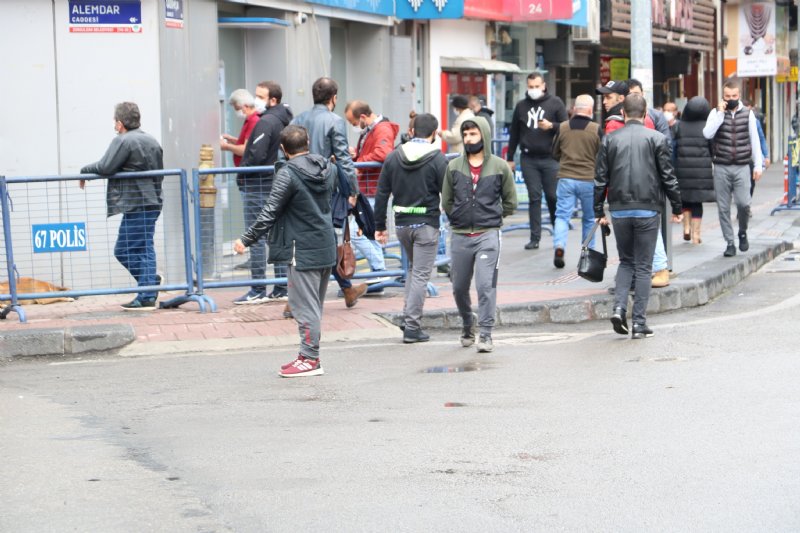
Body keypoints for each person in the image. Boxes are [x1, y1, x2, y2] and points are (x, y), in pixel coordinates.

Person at [234, 125, 336, 378]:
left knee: (304, 307)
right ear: (308, 142)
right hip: (324, 244)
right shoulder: (327, 168)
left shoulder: (288, 174)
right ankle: (307, 355)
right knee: (314, 306)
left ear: (282, 149)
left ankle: (310, 359)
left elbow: (270, 211)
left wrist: (246, 240)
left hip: (300, 248)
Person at [594, 94, 683, 339]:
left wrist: (597, 210)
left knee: (626, 262)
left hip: (620, 209)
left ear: (622, 114)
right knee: (644, 267)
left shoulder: (609, 139)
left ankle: (619, 307)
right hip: (648, 208)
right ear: (645, 115)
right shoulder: (657, 139)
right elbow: (668, 177)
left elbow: (600, 178)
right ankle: (639, 322)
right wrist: (676, 207)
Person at [442, 116, 517, 353]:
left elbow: (510, 202)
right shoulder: (453, 166)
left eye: (473, 134)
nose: (468, 139)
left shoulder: (499, 166)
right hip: (461, 235)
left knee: (485, 286)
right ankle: (468, 323)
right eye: (465, 135)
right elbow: (447, 200)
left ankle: (486, 334)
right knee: (458, 287)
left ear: (483, 135)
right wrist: (458, 216)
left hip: (488, 235)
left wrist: (492, 218)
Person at [291, 77, 368, 307]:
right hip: (323, 189)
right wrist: (353, 190)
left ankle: (343, 290)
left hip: (297, 187)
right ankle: (342, 290)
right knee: (325, 241)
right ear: (334, 97)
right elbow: (344, 159)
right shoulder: (334, 121)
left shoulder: (298, 119)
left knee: (302, 242)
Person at [80, 102, 164, 310]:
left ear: (119, 123)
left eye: (114, 121)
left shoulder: (123, 141)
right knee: (145, 247)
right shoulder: (151, 140)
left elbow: (105, 166)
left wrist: (84, 170)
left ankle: (148, 289)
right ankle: (148, 288)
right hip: (153, 201)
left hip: (137, 203)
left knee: (123, 249)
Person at [374, 113, 448, 343]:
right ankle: (412, 326)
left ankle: (408, 318)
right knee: (421, 275)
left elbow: (382, 193)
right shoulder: (438, 159)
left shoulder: (394, 157)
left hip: (402, 225)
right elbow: (449, 193)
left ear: (413, 130)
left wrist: (380, 226)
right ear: (434, 134)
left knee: (414, 271)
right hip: (427, 224)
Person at [233, 81, 294, 305]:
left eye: (260, 96)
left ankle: (258, 288)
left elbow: (256, 155)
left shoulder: (266, 122)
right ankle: (280, 287)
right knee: (273, 235)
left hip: (257, 185)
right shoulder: (282, 120)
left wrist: (242, 173)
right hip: (272, 184)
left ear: (273, 100)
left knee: (256, 236)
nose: (254, 100)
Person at [506, 72, 568, 250]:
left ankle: (559, 234)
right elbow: (514, 134)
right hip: (528, 158)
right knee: (534, 197)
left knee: (552, 196)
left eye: (536, 86)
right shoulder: (521, 106)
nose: (533, 90)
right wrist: (510, 158)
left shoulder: (555, 103)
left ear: (543, 86)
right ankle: (535, 237)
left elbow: (566, 127)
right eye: (530, 86)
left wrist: (552, 126)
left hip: (550, 158)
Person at [703, 78, 763, 257]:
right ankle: (729, 242)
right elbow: (707, 133)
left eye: (734, 95)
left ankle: (742, 231)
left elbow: (754, 140)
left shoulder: (748, 114)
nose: (731, 98)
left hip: (742, 166)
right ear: (723, 96)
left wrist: (758, 165)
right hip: (721, 166)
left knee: (744, 204)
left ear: (739, 95)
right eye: (728, 96)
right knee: (723, 207)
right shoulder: (715, 112)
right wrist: (721, 114)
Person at [344, 100, 398, 280]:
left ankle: (380, 271)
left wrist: (358, 162)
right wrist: (357, 156)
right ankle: (379, 273)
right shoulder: (372, 130)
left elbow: (383, 153)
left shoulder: (382, 129)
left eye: (353, 123)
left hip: (374, 190)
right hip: (369, 189)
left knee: (356, 232)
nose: (354, 127)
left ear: (363, 117)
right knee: (368, 233)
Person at [550, 94, 602, 268]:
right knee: (589, 219)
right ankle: (587, 255)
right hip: (588, 179)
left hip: (566, 177)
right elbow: (601, 155)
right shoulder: (595, 129)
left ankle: (559, 246)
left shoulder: (563, 127)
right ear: (590, 110)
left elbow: (554, 152)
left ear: (574, 109)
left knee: (562, 216)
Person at [673, 96, 715, 245]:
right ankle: (696, 235)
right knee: (697, 202)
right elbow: (712, 149)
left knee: (685, 199)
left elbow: (674, 147)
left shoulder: (678, 126)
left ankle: (686, 228)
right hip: (701, 172)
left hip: (683, 169)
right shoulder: (707, 126)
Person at [220, 89, 260, 167]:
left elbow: (245, 149)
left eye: (237, 108)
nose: (236, 111)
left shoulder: (253, 120)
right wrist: (230, 139)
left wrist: (226, 146)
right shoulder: (250, 120)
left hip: (247, 171)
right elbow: (247, 143)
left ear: (245, 106)